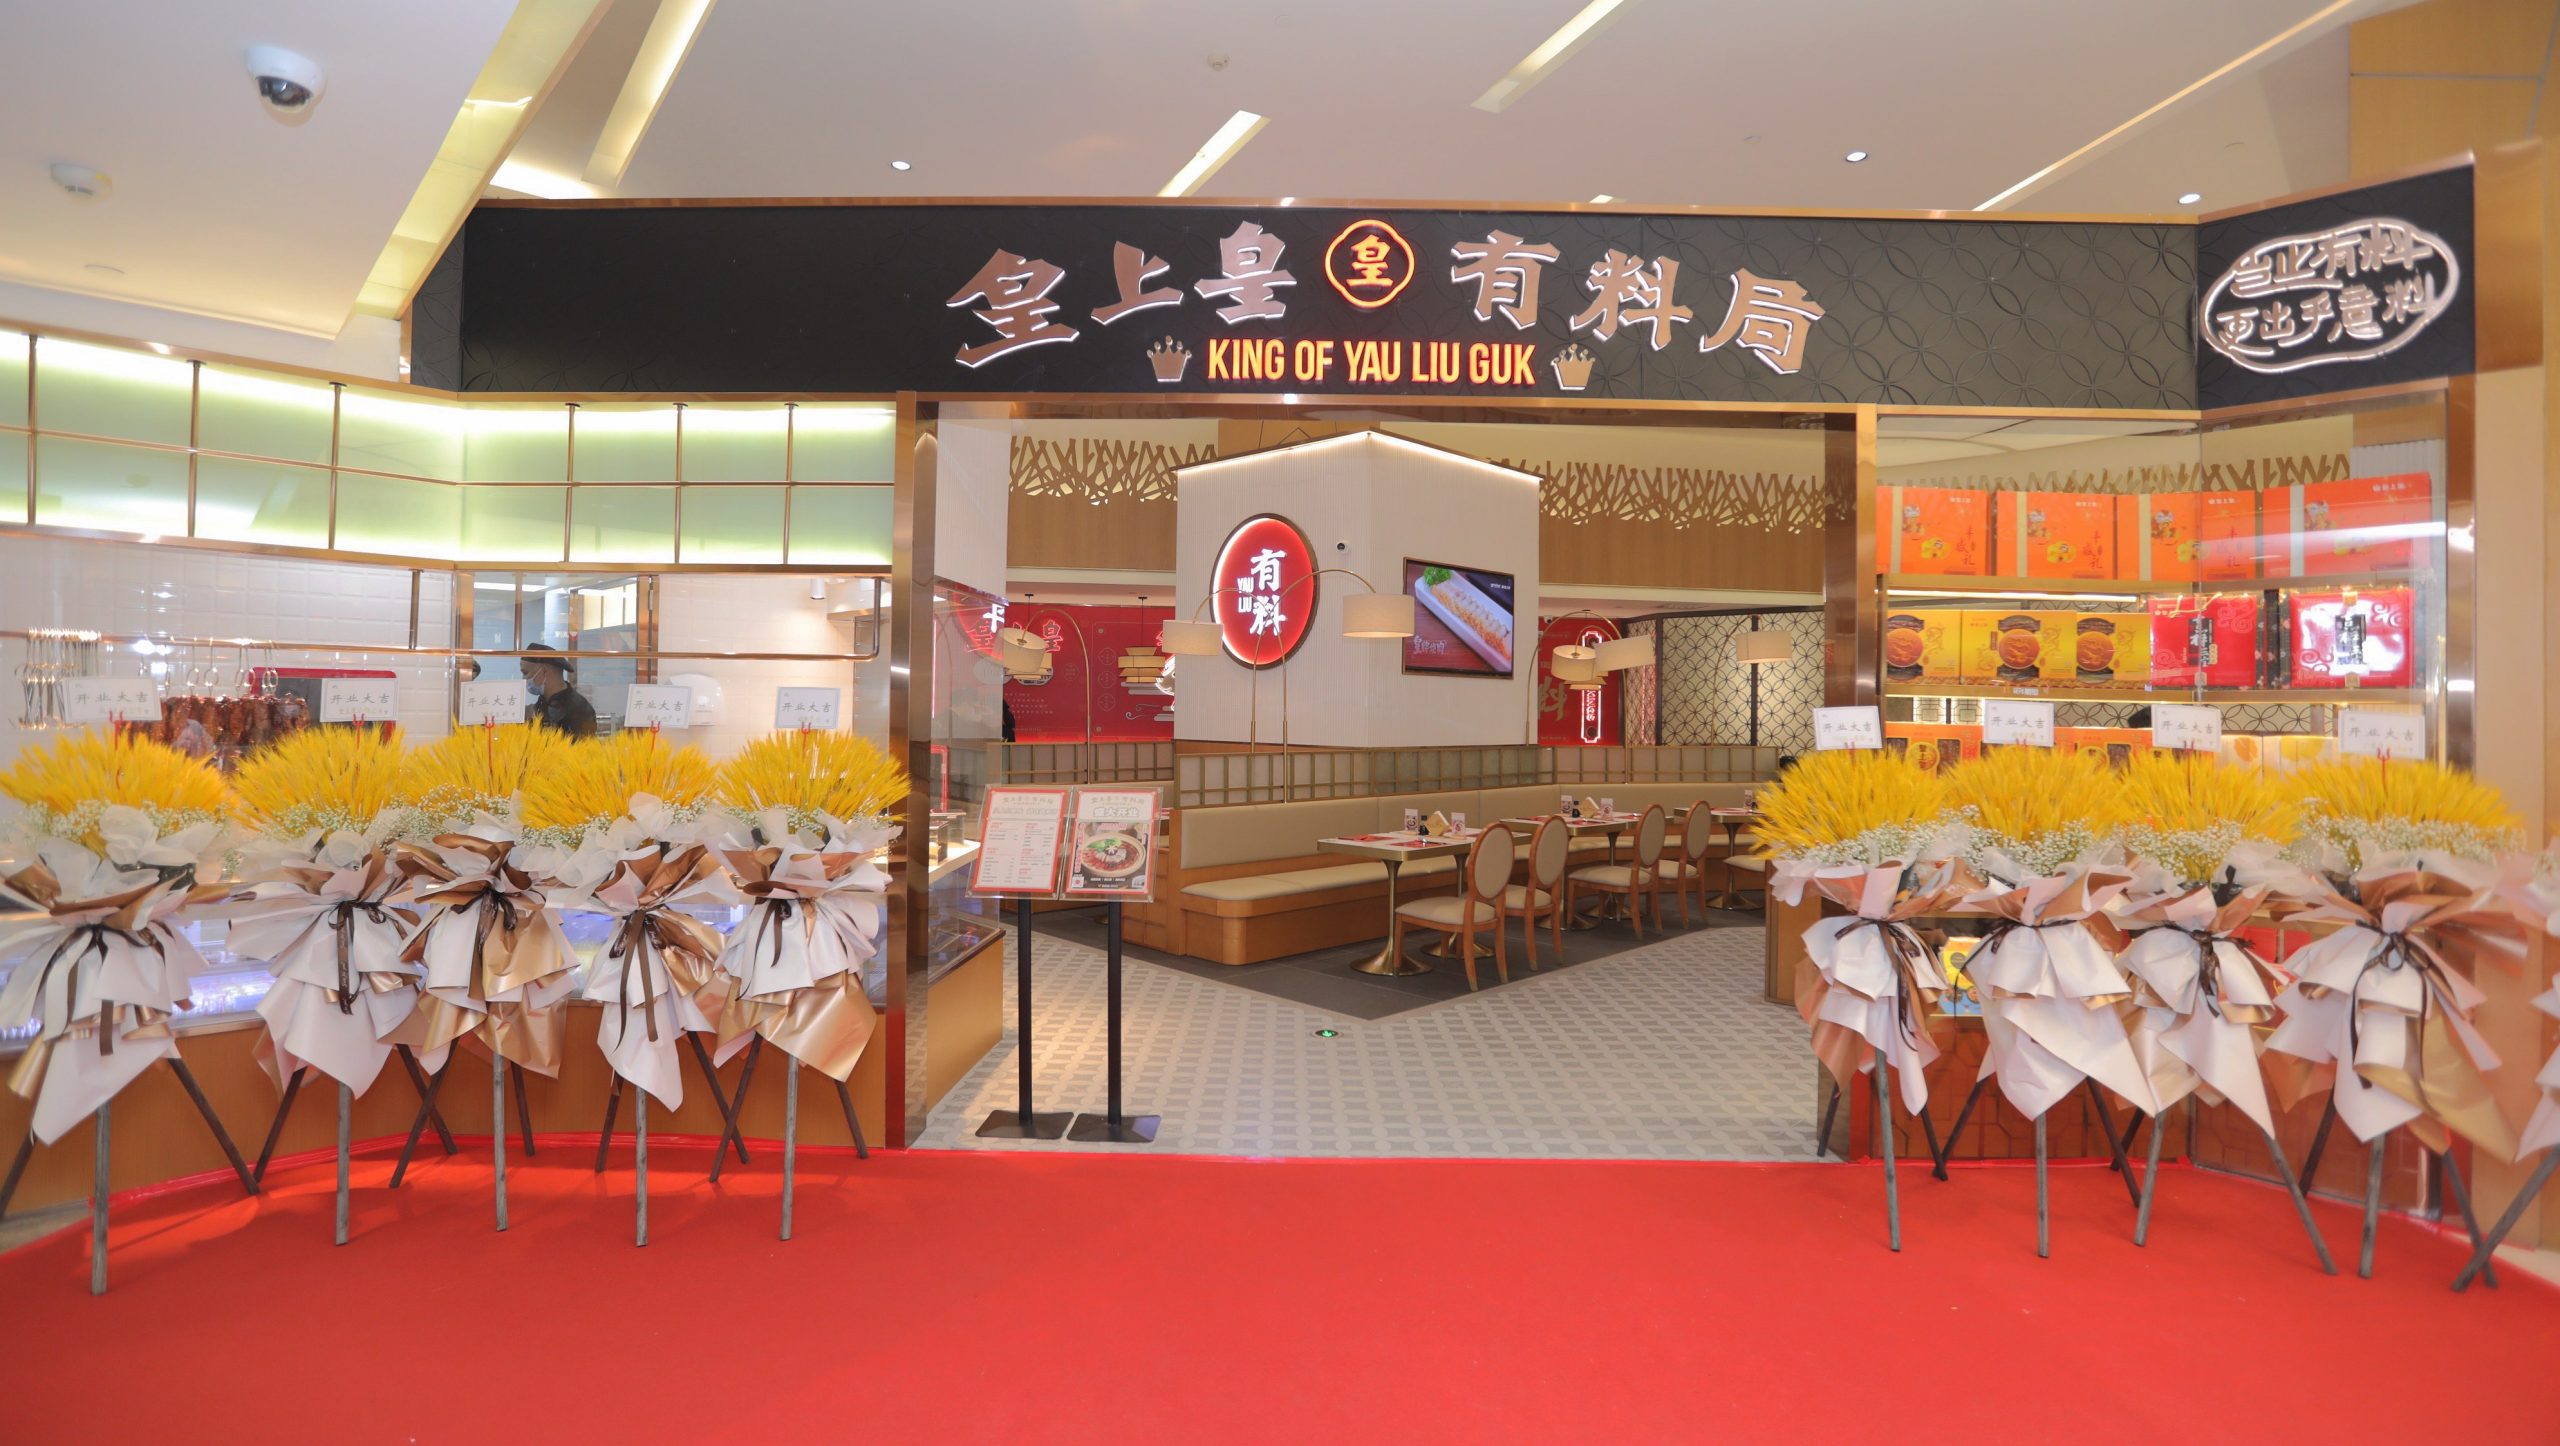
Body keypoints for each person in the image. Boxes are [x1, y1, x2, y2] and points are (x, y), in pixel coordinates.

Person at [523, 643, 596, 739]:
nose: (523, 678)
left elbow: (581, 746)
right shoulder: (542, 703)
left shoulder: (580, 710)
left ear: (544, 671)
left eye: (525, 673)